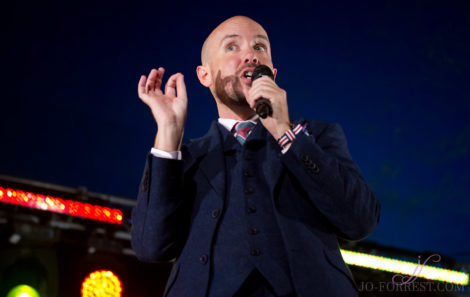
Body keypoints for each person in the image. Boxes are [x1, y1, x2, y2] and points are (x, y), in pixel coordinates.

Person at [131, 15, 380, 297]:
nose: (250, 54)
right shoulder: (184, 157)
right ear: (205, 75)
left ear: (272, 73)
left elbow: (360, 221)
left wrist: (286, 134)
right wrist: (168, 132)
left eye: (260, 47)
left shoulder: (318, 137)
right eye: (232, 47)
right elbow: (151, 247)